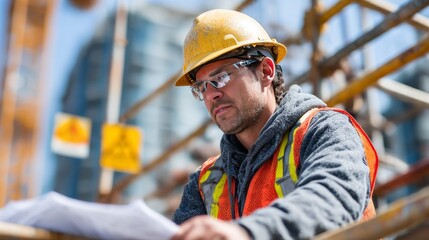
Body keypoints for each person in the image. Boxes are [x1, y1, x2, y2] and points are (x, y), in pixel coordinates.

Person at [170, 9, 378, 240]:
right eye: (201, 87)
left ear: (266, 71)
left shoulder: (324, 130)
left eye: (220, 78)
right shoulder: (205, 181)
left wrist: (246, 233)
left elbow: (335, 197)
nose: (211, 95)